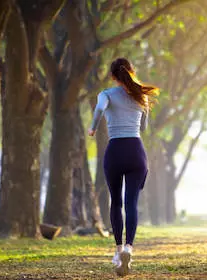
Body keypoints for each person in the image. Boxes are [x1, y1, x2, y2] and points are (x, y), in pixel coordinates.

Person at [88, 58, 158, 276]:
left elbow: (100, 109)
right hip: (136, 151)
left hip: (115, 150)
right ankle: (129, 247)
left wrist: (92, 128)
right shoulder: (141, 96)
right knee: (131, 203)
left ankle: (118, 251)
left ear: (113, 76)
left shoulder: (106, 94)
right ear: (132, 72)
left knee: (115, 202)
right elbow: (144, 126)